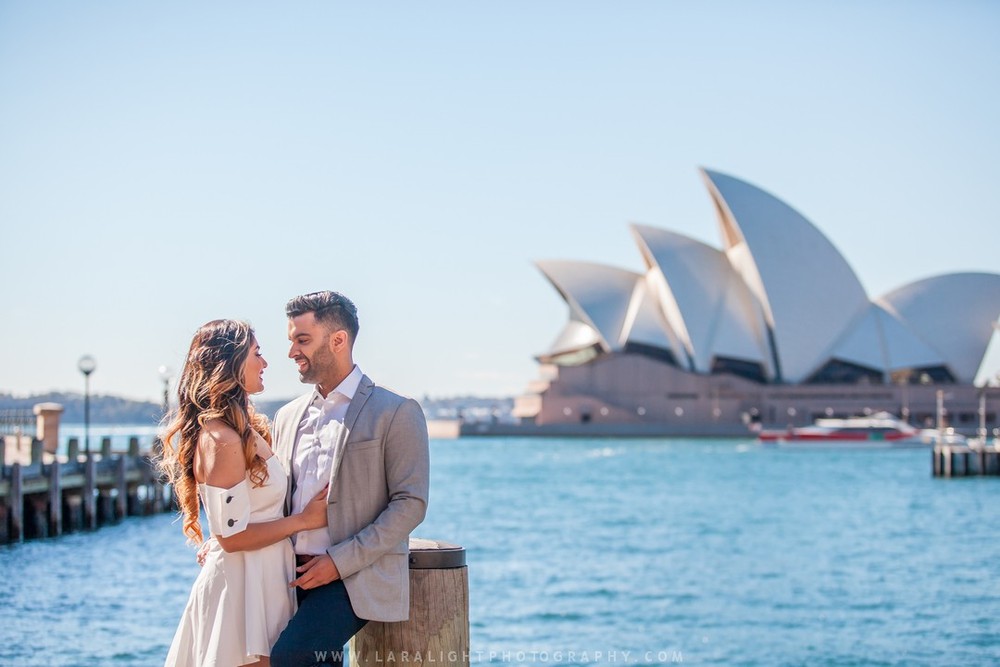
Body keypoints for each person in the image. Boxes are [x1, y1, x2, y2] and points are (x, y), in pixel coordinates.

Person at [269, 291, 430, 667]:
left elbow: (411, 504)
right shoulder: (287, 416)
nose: (292, 352)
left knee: (291, 657)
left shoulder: (396, 411)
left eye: (302, 340)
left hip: (354, 575)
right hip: (284, 573)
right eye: (291, 341)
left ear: (338, 340)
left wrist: (338, 562)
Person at [161, 319, 330, 667]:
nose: (265, 363)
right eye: (257, 353)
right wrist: (303, 521)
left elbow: (233, 523)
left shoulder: (243, 429)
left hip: (262, 577)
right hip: (241, 588)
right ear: (231, 362)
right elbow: (233, 539)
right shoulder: (221, 439)